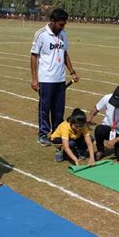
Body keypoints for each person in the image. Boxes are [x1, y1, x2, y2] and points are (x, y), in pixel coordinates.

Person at [30, 8, 79, 146]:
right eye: (61, 24)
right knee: (45, 108)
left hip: (60, 79)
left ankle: (57, 133)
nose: (62, 27)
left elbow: (64, 53)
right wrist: (34, 79)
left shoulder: (63, 34)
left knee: (59, 109)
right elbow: (34, 56)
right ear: (52, 21)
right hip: (46, 79)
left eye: (64, 25)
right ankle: (43, 134)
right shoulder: (41, 34)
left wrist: (72, 71)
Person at [87, 85, 119, 162]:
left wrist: (115, 140)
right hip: (108, 129)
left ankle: (118, 146)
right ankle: (101, 150)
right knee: (99, 129)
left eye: (118, 103)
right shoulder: (107, 97)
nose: (115, 104)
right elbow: (95, 108)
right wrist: (90, 117)